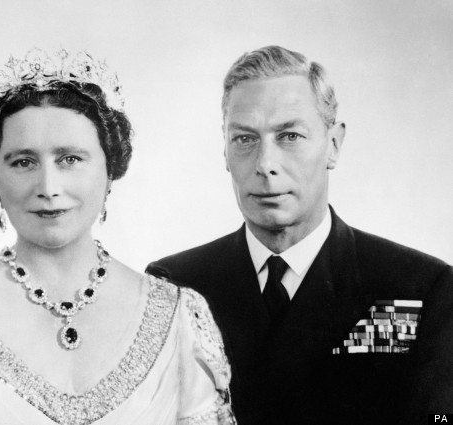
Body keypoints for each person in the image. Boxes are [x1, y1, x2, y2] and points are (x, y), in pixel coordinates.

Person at [0, 48, 236, 425]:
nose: (48, 186)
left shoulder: (179, 316)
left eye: (70, 159)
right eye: (23, 162)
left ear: (109, 168)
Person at [147, 45, 453, 425]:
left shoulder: (422, 286)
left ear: (333, 145)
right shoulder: (175, 286)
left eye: (289, 136)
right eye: (245, 139)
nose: (265, 165)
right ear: (224, 150)